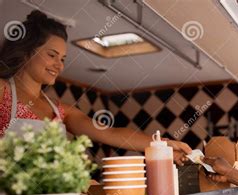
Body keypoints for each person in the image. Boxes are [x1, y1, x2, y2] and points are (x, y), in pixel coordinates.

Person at [0, 10, 191, 165]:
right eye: (52, 55)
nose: (59, 65)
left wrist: (163, 145)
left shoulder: (60, 111)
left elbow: (110, 133)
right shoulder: (3, 91)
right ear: (26, 52)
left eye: (63, 59)